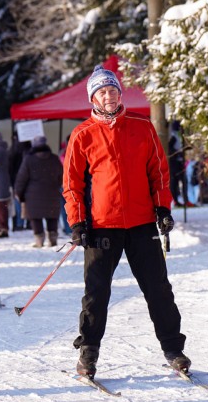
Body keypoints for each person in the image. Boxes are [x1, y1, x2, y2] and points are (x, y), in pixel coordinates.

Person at [62, 64, 188, 379]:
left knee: (158, 289)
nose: (108, 96)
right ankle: (88, 354)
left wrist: (163, 208)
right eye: (102, 91)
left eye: (112, 89)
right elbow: (72, 184)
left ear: (120, 92)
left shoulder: (142, 127)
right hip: (102, 226)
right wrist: (78, 222)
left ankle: (173, 349)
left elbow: (159, 173)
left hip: (142, 223)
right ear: (93, 97)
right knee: (96, 293)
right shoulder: (82, 134)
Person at [14, 135, 63, 247]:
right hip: (52, 193)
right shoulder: (54, 158)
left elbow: (21, 179)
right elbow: (61, 176)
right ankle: (53, 238)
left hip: (33, 195)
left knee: (35, 217)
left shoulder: (29, 159)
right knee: (52, 216)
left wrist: (19, 193)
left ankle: (39, 240)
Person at [168, 120, 189, 207]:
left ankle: (184, 200)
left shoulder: (178, 136)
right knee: (175, 183)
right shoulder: (173, 137)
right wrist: (178, 153)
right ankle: (176, 200)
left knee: (183, 181)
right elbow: (170, 149)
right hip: (174, 164)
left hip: (179, 163)